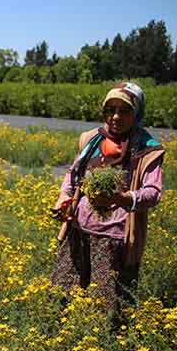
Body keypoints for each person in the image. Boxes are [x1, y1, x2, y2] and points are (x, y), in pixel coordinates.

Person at [51, 82, 165, 320]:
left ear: (137, 113)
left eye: (124, 110)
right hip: (78, 229)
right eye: (110, 110)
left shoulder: (147, 149)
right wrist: (63, 197)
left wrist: (122, 198)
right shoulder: (91, 140)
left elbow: (153, 192)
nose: (115, 117)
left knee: (106, 306)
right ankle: (59, 345)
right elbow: (73, 175)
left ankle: (109, 350)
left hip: (115, 238)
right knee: (63, 294)